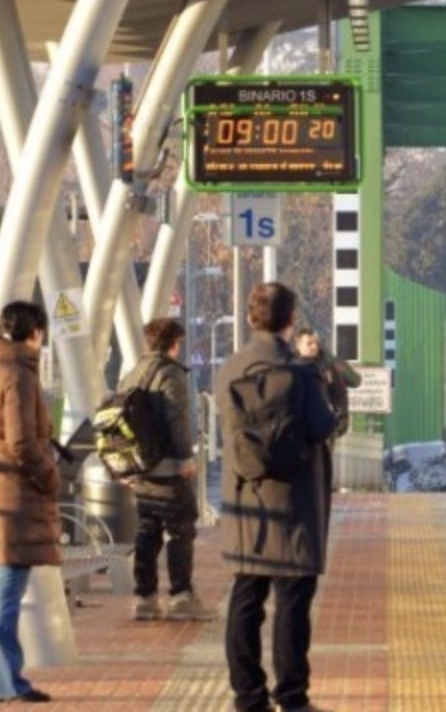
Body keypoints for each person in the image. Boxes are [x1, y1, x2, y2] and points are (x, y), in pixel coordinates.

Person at [214, 283, 336, 712]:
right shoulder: (301, 373)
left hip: (247, 502)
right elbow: (323, 426)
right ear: (290, 320)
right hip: (294, 504)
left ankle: (248, 696)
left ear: (251, 318)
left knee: (246, 599)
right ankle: (292, 696)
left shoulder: (230, 369)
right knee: (292, 604)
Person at [120, 317, 216, 622]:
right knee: (180, 530)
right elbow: (177, 419)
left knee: (147, 530)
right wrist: (186, 457)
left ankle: (144, 598)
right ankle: (181, 596)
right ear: (174, 343)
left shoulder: (132, 373)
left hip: (141, 468)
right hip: (168, 468)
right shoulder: (170, 374)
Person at [0, 300, 59, 704]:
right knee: (7, 593)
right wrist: (49, 475)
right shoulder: (18, 373)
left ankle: (10, 679)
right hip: (15, 497)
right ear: (36, 332)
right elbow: (22, 441)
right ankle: (9, 682)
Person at [294, 327, 361, 439]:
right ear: (298, 346)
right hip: (298, 428)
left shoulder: (328, 366)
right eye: (309, 343)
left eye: (315, 343)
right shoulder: (291, 367)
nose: (313, 346)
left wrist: (341, 420)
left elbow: (340, 393)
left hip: (324, 426)